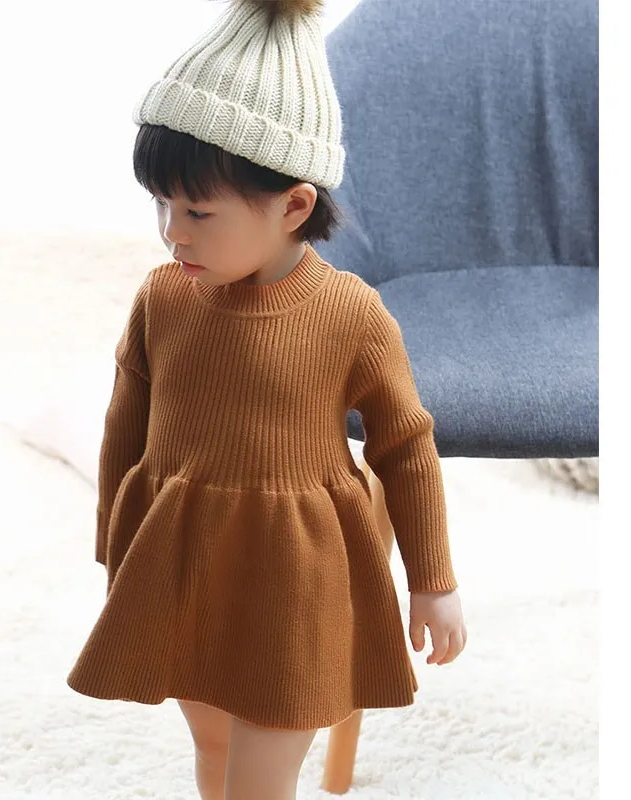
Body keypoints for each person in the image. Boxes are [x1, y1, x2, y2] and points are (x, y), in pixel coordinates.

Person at [66, 1, 467, 798]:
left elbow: (405, 446)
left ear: (293, 205)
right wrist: (117, 547)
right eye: (161, 204)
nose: (172, 232)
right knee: (212, 745)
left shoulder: (349, 314)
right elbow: (125, 429)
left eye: (197, 211)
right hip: (188, 570)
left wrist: (433, 579)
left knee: (262, 770)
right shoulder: (163, 299)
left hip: (295, 585)